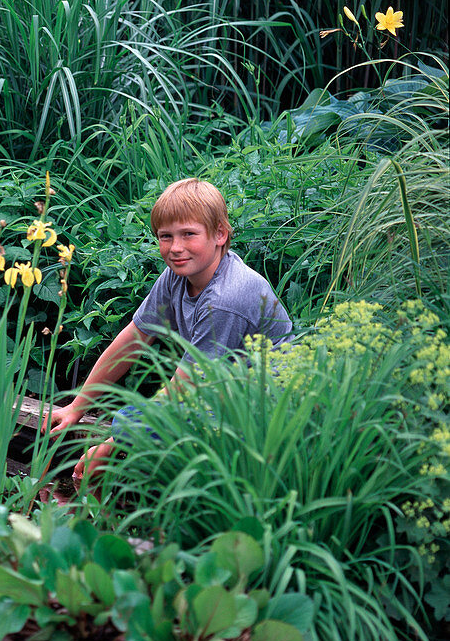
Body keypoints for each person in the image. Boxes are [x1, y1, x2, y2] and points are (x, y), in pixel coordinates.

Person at [43, 177, 292, 481]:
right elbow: (135, 338)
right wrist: (76, 407)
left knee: (132, 422)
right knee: (133, 420)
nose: (176, 248)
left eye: (189, 234)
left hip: (263, 411)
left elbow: (184, 387)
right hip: (217, 393)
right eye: (165, 236)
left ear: (220, 234)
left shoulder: (227, 297)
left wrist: (107, 447)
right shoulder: (178, 274)